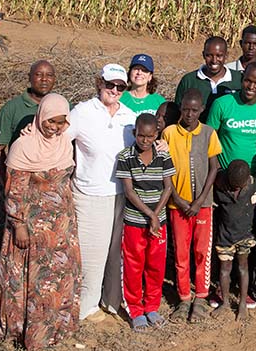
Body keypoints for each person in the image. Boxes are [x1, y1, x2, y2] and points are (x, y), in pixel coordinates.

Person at [0, 93, 81, 351]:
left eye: (60, 122)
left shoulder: (64, 143)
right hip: (32, 227)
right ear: (40, 116)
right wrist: (18, 224)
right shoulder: (24, 147)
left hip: (61, 225)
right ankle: (30, 334)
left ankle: (58, 330)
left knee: (59, 280)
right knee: (35, 280)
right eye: (50, 121)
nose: (54, 128)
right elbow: (14, 191)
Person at [67, 63, 137, 321]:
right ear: (99, 83)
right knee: (92, 252)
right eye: (110, 85)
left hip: (122, 193)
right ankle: (87, 305)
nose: (115, 90)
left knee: (116, 252)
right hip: (90, 193)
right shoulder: (83, 112)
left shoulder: (128, 117)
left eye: (120, 86)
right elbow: (62, 141)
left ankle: (111, 300)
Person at [165, 89, 222, 323]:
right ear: (181, 108)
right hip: (176, 205)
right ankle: (183, 297)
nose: (189, 114)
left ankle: (200, 296)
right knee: (180, 252)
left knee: (201, 252)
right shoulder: (169, 133)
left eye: (194, 110)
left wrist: (199, 201)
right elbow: (165, 169)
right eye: (186, 109)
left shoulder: (208, 133)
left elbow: (214, 168)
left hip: (203, 205)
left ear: (201, 110)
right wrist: (177, 198)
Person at [117, 113, 175, 332]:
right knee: (133, 265)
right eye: (141, 136)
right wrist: (150, 216)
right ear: (134, 134)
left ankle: (151, 307)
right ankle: (135, 309)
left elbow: (168, 187)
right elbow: (129, 191)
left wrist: (156, 215)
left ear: (156, 135)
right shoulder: (125, 157)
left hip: (158, 223)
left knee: (155, 265)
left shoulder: (163, 156)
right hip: (135, 221)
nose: (145, 140)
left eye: (150, 136)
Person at [206, 62, 256, 177]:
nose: (251, 87)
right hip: (225, 175)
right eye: (248, 81)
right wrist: (216, 169)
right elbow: (208, 139)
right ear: (242, 79)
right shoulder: (222, 104)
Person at [0, 60, 56, 180]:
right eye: (38, 74)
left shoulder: (62, 106)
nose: (44, 79)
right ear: (29, 78)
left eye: (49, 75)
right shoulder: (12, 108)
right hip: (22, 179)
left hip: (54, 179)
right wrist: (7, 179)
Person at [212, 160, 256, 321]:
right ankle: (225, 302)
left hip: (245, 236)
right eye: (233, 185)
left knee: (243, 267)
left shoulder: (254, 185)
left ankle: (242, 304)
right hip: (225, 237)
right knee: (225, 269)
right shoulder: (218, 184)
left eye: (240, 185)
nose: (237, 188)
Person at [175, 36, 243, 121]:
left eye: (219, 56)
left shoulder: (239, 79)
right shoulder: (189, 80)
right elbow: (177, 111)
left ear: (226, 55)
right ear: (203, 55)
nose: (214, 60)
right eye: (209, 55)